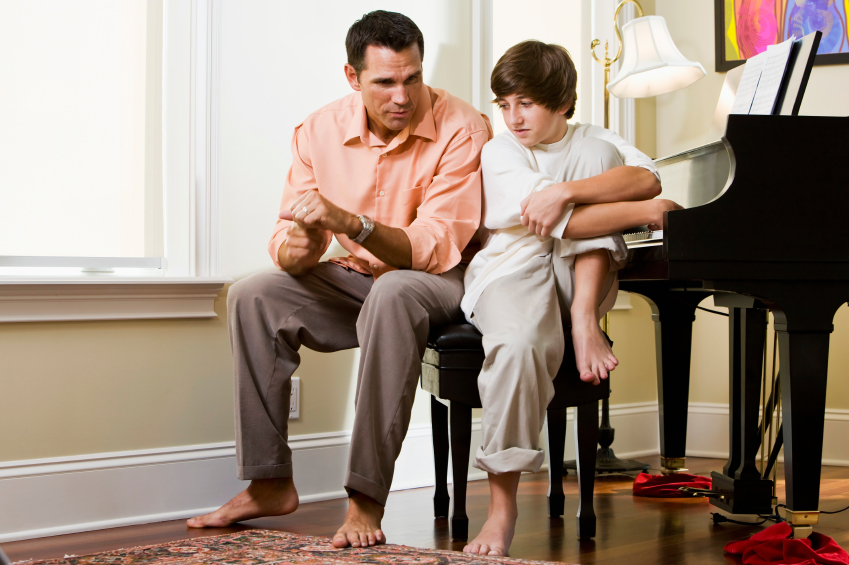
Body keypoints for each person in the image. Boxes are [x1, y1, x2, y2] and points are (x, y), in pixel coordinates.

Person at [187, 11, 492, 549]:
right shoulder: (318, 130)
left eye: (413, 78)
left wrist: (352, 223)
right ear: (353, 78)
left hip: (439, 281)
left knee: (395, 290)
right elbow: (288, 234)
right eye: (385, 82)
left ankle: (365, 499)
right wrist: (297, 251)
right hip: (355, 280)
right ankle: (268, 481)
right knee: (252, 294)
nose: (402, 96)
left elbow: (432, 246)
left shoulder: (463, 128)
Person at [460, 40, 681, 557]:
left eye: (527, 104)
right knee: (517, 346)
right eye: (504, 104)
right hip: (512, 273)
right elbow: (583, 220)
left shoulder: (595, 141)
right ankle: (502, 508)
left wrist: (564, 189)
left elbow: (646, 177)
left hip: (575, 278)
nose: (513, 118)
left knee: (598, 158)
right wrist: (645, 211)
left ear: (561, 102)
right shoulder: (500, 151)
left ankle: (582, 319)